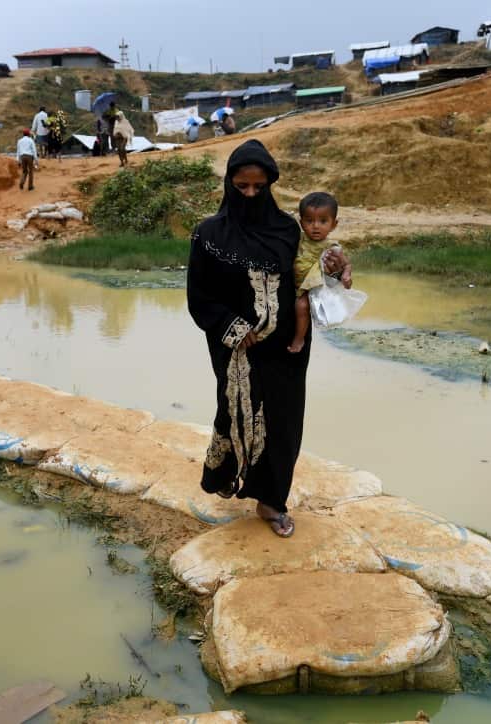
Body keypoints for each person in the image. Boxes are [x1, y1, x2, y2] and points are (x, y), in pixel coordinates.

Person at [187, 139, 309, 538]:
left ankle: (271, 503)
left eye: (259, 187)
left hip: (286, 349)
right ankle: (226, 474)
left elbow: (306, 276)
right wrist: (236, 330)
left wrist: (337, 266)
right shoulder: (208, 234)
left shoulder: (287, 229)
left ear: (270, 184)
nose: (251, 194)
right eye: (242, 186)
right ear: (229, 183)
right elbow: (198, 296)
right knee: (235, 411)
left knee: (284, 421)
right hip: (235, 348)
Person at [287, 192, 352, 354]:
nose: (316, 226)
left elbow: (346, 264)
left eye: (323, 221)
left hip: (314, 287)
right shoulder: (298, 239)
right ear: (301, 223)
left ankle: (299, 339)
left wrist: (346, 276)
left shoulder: (331, 247)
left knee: (302, 306)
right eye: (310, 221)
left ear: (333, 224)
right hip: (295, 283)